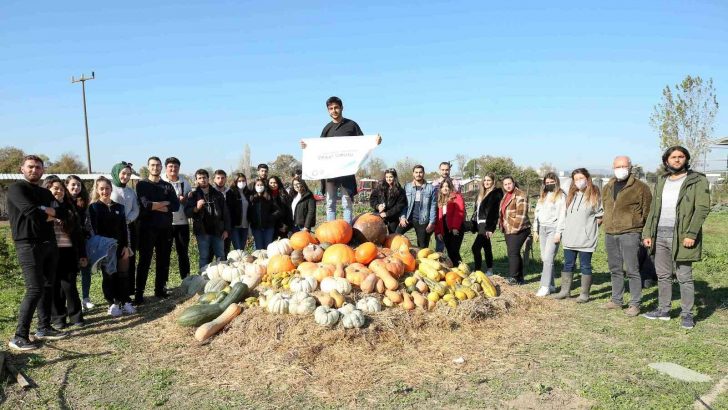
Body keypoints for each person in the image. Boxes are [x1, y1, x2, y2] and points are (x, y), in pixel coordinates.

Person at [642, 146, 710, 329]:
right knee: (663, 275)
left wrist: (691, 233)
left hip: (681, 236)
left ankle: (687, 314)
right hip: (660, 234)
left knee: (684, 276)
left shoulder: (696, 180)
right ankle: (663, 310)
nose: (677, 160)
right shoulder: (662, 180)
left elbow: (702, 208)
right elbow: (653, 210)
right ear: (666, 161)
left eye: (681, 157)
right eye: (673, 157)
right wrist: (648, 232)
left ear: (686, 159)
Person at [7, 155, 70, 350]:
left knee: (48, 285)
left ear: (43, 171)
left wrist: (45, 210)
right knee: (34, 289)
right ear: (22, 169)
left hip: (49, 243)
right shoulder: (17, 189)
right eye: (31, 167)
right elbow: (31, 214)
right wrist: (48, 212)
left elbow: (64, 213)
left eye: (38, 167)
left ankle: (44, 327)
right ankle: (19, 336)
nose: (34, 170)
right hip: (28, 244)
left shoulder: (45, 193)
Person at [300, 96, 382, 223]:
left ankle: (347, 231)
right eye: (331, 108)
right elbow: (319, 149)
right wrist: (307, 147)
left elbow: (363, 143)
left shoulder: (352, 125)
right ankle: (332, 230)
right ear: (328, 111)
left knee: (346, 202)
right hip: (330, 173)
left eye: (336, 107)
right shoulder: (327, 128)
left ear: (341, 108)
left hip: (346, 171)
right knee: (330, 203)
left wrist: (374, 142)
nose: (334, 111)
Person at [602, 156, 653, 316]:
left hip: (630, 232)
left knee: (632, 269)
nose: (621, 169)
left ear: (630, 167)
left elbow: (648, 211)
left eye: (624, 166)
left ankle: (635, 303)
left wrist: (643, 231)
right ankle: (617, 300)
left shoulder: (640, 187)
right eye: (618, 166)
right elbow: (606, 207)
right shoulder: (608, 186)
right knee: (615, 268)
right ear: (613, 167)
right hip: (610, 232)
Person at [553, 168, 603, 302]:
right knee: (568, 264)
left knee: (585, 265)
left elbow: (599, 217)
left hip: (585, 239)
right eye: (576, 179)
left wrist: (588, 229)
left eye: (581, 178)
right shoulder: (570, 195)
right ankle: (565, 291)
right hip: (570, 237)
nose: (579, 181)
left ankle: (584, 294)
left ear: (587, 178)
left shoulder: (594, 195)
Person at [135, 156, 180, 304]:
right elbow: (146, 205)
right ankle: (139, 294)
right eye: (153, 165)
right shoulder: (141, 185)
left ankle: (159, 289)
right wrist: (164, 203)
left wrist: (157, 206)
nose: (155, 168)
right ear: (148, 167)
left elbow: (175, 206)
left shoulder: (167, 186)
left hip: (165, 229)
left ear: (161, 167)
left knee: (163, 260)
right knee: (144, 261)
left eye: (158, 165)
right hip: (147, 229)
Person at [89, 177, 135, 317]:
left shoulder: (119, 207)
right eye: (101, 188)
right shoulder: (94, 207)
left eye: (107, 188)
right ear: (97, 190)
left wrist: (126, 246)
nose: (105, 191)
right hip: (105, 248)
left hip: (121, 246)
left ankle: (125, 300)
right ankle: (112, 303)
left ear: (111, 189)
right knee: (109, 275)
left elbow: (123, 228)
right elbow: (94, 230)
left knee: (123, 275)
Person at [44, 176, 86, 329]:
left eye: (61, 189)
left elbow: (78, 233)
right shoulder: (44, 206)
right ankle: (58, 319)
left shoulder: (69, 207)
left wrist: (82, 254)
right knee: (55, 286)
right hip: (51, 251)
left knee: (69, 285)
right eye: (55, 188)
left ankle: (76, 317)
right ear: (48, 189)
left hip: (68, 250)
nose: (59, 191)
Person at [188, 169, 231, 270]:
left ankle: (222, 279)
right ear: (196, 180)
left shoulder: (218, 195)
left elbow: (226, 214)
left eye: (204, 178)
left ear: (208, 179)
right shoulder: (193, 195)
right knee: (204, 257)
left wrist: (226, 230)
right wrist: (196, 208)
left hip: (218, 231)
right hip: (202, 231)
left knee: (221, 256)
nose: (202, 180)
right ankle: (203, 279)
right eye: (200, 178)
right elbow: (187, 212)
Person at [532, 173, 566, 297]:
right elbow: (537, 212)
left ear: (556, 182)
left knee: (548, 258)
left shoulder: (561, 196)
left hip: (553, 229)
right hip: (542, 229)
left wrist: (559, 232)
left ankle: (544, 286)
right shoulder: (543, 195)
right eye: (547, 182)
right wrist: (535, 230)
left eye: (551, 182)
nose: (549, 184)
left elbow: (562, 215)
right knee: (544, 258)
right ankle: (551, 285)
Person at [110, 162, 140, 297]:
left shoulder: (130, 191)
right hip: (113, 230)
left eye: (128, 174)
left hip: (128, 228)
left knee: (129, 260)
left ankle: (128, 292)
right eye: (123, 173)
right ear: (117, 173)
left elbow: (136, 209)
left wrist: (128, 219)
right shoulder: (109, 189)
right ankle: (114, 293)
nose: (125, 176)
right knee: (114, 260)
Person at [65, 175, 94, 310]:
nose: (76, 187)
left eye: (79, 185)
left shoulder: (84, 203)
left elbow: (88, 223)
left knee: (85, 269)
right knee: (70, 274)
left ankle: (85, 298)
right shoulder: (62, 202)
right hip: (67, 242)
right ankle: (70, 301)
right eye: (73, 185)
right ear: (66, 186)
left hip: (82, 241)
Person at [162, 157, 192, 280]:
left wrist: (186, 199)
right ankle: (163, 282)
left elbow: (189, 201)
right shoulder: (161, 182)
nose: (173, 169)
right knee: (164, 253)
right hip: (166, 223)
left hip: (182, 222)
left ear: (179, 168)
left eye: (176, 167)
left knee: (183, 252)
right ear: (166, 168)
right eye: (170, 166)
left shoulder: (185, 182)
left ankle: (186, 279)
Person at [499, 176, 531, 285]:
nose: (508, 186)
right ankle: (520, 278)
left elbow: (521, 216)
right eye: (505, 184)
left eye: (509, 183)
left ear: (514, 183)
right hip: (508, 228)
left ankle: (513, 277)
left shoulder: (520, 195)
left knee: (512, 252)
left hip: (519, 228)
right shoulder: (506, 196)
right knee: (514, 252)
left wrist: (514, 230)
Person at [397, 165, 437, 249]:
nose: (418, 174)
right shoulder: (407, 187)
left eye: (420, 172)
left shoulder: (431, 188)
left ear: (423, 173)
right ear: (413, 174)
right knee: (396, 236)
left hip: (422, 220)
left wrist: (431, 222)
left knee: (422, 246)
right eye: (416, 172)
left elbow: (433, 206)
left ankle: (420, 261)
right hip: (408, 218)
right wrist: (402, 217)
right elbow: (403, 204)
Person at [470, 173, 503, 276]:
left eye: (489, 180)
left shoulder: (496, 193)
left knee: (475, 247)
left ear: (493, 181)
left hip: (486, 224)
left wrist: (490, 228)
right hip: (479, 223)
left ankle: (477, 270)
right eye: (485, 180)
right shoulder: (481, 194)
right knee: (486, 246)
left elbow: (494, 212)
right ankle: (490, 269)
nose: (486, 182)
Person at [432, 162, 462, 252]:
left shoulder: (456, 182)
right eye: (443, 170)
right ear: (439, 170)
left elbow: (458, 202)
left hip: (452, 218)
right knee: (440, 247)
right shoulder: (434, 184)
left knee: (452, 249)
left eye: (447, 170)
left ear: (449, 170)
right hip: (440, 217)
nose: (445, 172)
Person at [434, 178, 465, 265]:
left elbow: (459, 212)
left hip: (455, 227)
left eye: (447, 186)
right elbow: (437, 218)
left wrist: (455, 227)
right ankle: (455, 270)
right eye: (443, 186)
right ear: (440, 189)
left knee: (454, 250)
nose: (445, 188)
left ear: (450, 187)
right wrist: (438, 232)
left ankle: (462, 269)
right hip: (444, 228)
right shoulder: (439, 200)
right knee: (449, 251)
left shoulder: (456, 197)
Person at [369, 169, 407, 234]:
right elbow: (372, 199)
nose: (388, 179)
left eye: (391, 177)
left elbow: (399, 206)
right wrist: (378, 206)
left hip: (392, 218)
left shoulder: (400, 191)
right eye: (387, 177)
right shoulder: (380, 187)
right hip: (379, 215)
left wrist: (387, 214)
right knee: (376, 234)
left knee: (391, 237)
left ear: (395, 177)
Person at [248, 178, 281, 249]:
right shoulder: (251, 198)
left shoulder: (269, 197)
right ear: (254, 186)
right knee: (259, 248)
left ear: (264, 186)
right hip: (256, 228)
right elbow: (248, 212)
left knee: (268, 247)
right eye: (258, 185)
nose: (260, 186)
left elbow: (278, 211)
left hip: (268, 228)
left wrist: (270, 217)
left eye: (261, 185)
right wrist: (252, 220)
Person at [228, 173, 251, 250]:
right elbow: (229, 210)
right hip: (235, 226)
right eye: (239, 181)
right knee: (238, 249)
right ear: (235, 181)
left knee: (242, 248)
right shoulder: (231, 193)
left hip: (245, 225)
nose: (242, 182)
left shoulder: (248, 193)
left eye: (243, 180)